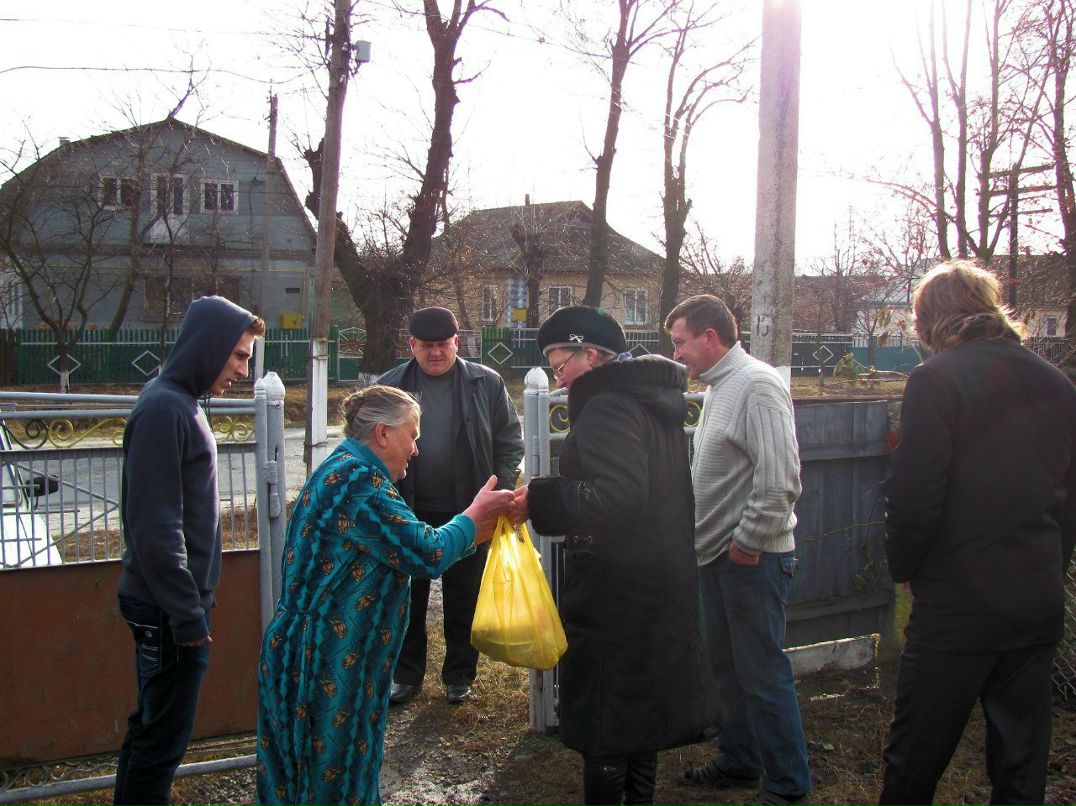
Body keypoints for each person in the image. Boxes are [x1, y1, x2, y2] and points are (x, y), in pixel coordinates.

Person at [255, 385, 514, 806]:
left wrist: (477, 529)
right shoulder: (356, 480)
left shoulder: (351, 470)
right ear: (382, 434)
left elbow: (406, 547)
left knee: (320, 781)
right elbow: (425, 551)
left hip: (329, 656)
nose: (415, 449)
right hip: (321, 661)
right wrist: (473, 517)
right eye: (412, 436)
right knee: (328, 787)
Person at [877, 260, 1076, 806]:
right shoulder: (1057, 383)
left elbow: (915, 493)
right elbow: (1069, 500)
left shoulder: (937, 379)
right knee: (1021, 762)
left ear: (929, 321)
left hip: (959, 603)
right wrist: (1049, 568)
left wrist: (907, 568)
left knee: (916, 755)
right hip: (1034, 598)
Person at [511, 305, 718, 806]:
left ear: (592, 354)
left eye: (561, 367)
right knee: (639, 717)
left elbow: (618, 497)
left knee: (606, 721)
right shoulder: (647, 400)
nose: (559, 382)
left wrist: (541, 499)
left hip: (617, 590)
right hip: (654, 578)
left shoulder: (607, 407)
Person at [114, 295, 265, 806]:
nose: (243, 370)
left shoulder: (179, 402)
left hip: (171, 604)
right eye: (239, 356)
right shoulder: (164, 409)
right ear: (209, 346)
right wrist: (187, 614)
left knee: (152, 728)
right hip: (166, 608)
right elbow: (156, 528)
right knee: (162, 740)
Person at [665, 294, 812, 806]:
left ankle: (788, 786)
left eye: (680, 342)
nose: (676, 354)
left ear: (710, 337)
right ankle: (740, 760)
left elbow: (780, 480)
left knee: (763, 675)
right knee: (727, 671)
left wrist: (747, 544)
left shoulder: (757, 385)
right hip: (718, 559)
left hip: (753, 561)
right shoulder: (720, 387)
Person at [377, 306, 523, 705]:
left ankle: (459, 675)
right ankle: (406, 676)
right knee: (406, 597)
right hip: (405, 509)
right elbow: (370, 444)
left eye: (443, 344)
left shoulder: (485, 383)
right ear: (412, 345)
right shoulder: (390, 386)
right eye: (427, 345)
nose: (436, 352)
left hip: (469, 509)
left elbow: (510, 440)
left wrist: (499, 491)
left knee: (465, 596)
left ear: (457, 342)